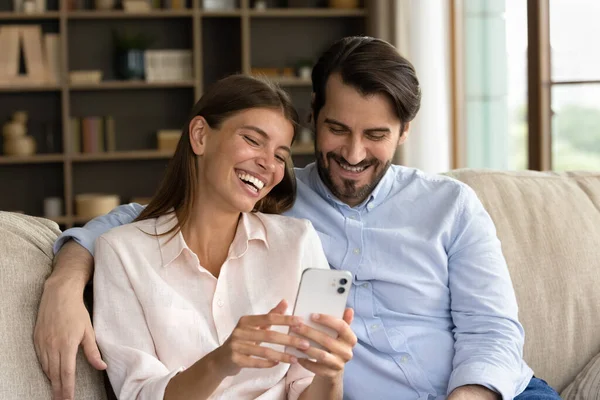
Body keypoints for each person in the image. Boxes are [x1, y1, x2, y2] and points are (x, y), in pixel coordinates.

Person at [35, 36, 561, 400]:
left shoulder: (453, 205)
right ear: (313, 117)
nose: (353, 154)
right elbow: (147, 220)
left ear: (405, 131)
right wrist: (67, 275)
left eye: (376, 135)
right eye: (337, 129)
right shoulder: (276, 196)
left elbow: (491, 329)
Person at [40, 74, 357, 400]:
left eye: (280, 155)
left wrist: (330, 372)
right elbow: (140, 394)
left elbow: (308, 391)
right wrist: (221, 361)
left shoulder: (297, 242)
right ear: (200, 136)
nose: (267, 164)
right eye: (253, 140)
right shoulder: (122, 253)